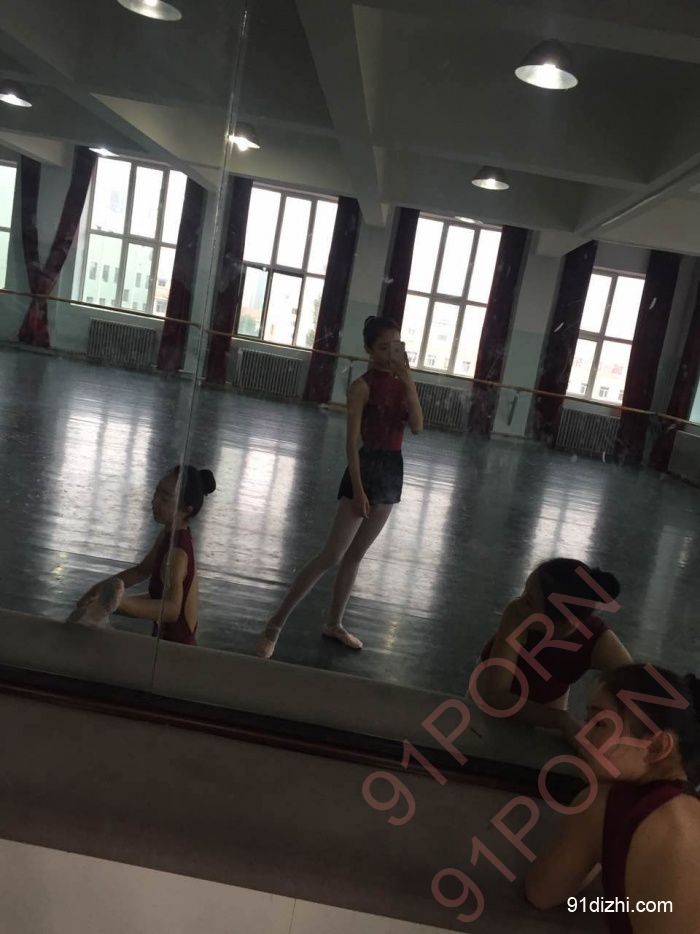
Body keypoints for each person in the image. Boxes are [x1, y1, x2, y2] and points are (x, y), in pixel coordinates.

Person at [256, 315, 424, 659]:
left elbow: (418, 427)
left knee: (355, 556)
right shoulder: (362, 386)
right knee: (331, 555)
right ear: (369, 350)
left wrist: (409, 382)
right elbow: (351, 443)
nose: (389, 353)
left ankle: (334, 623)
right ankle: (275, 623)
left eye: (395, 346)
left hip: (392, 471)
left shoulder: (403, 384)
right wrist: (358, 490)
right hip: (366, 469)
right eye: (382, 347)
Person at [526, 663, 700, 933]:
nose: (583, 735)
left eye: (600, 724)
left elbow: (542, 894)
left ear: (657, 747)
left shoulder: (603, 805)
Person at [476, 558, 632, 743]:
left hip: (550, 697)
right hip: (489, 692)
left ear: (562, 625)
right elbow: (495, 695)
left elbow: (637, 689)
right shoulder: (517, 613)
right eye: (525, 592)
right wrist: (560, 720)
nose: (519, 602)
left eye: (530, 601)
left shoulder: (598, 641)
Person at [68, 465, 216, 645]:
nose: (155, 502)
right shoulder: (168, 536)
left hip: (177, 650)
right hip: (163, 642)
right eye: (156, 493)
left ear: (187, 509)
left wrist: (118, 603)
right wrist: (97, 592)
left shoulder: (177, 554)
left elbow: (172, 610)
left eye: (165, 498)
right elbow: (141, 571)